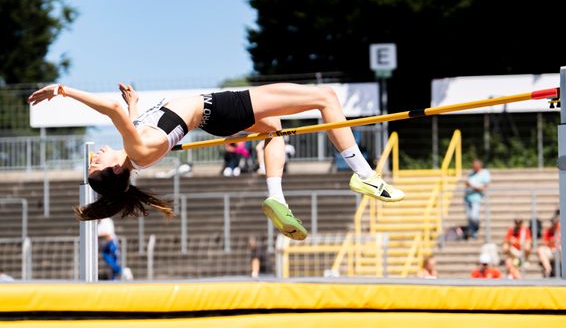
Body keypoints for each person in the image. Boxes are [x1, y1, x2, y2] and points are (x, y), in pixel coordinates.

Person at [28, 83, 405, 241]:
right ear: (112, 171)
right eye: (95, 164)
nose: (94, 155)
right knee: (325, 98)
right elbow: (111, 110)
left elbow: (141, 123)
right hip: (217, 108)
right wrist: (63, 91)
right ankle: (364, 174)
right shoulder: (138, 151)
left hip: (213, 116)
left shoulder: (136, 152)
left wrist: (133, 104)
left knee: (273, 129)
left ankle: (277, 197)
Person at [463, 159, 490, 239]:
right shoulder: (471, 173)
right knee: (469, 217)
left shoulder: (484, 173)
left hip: (476, 198)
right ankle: (473, 232)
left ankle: (476, 227)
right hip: (467, 197)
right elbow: (467, 184)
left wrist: (473, 186)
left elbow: (484, 186)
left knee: (474, 217)